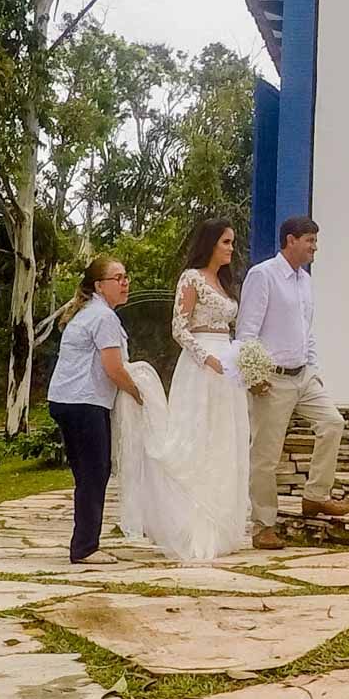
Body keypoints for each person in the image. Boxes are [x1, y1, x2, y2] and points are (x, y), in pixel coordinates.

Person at [112, 220, 252, 560]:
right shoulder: (191, 278)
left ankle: (220, 523)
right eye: (226, 242)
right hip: (202, 364)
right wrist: (206, 357)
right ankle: (191, 524)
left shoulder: (224, 283)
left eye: (233, 242)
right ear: (210, 244)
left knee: (224, 440)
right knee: (197, 439)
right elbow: (179, 328)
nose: (231, 248)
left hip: (227, 365)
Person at [238, 215, 349, 549]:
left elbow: (306, 329)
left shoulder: (305, 281)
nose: (315, 247)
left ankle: (316, 495)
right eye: (310, 241)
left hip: (304, 375)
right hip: (271, 380)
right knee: (265, 456)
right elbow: (246, 331)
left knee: (333, 423)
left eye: (315, 241)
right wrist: (254, 376)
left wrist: (313, 368)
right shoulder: (263, 276)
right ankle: (263, 526)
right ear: (290, 240)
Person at [46, 255, 141, 565]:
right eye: (118, 278)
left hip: (68, 400)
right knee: (94, 472)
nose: (125, 282)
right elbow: (113, 368)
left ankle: (85, 541)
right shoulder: (103, 318)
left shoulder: (89, 313)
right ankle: (85, 547)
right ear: (99, 286)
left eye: (126, 276)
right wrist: (141, 394)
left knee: (89, 473)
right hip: (83, 402)